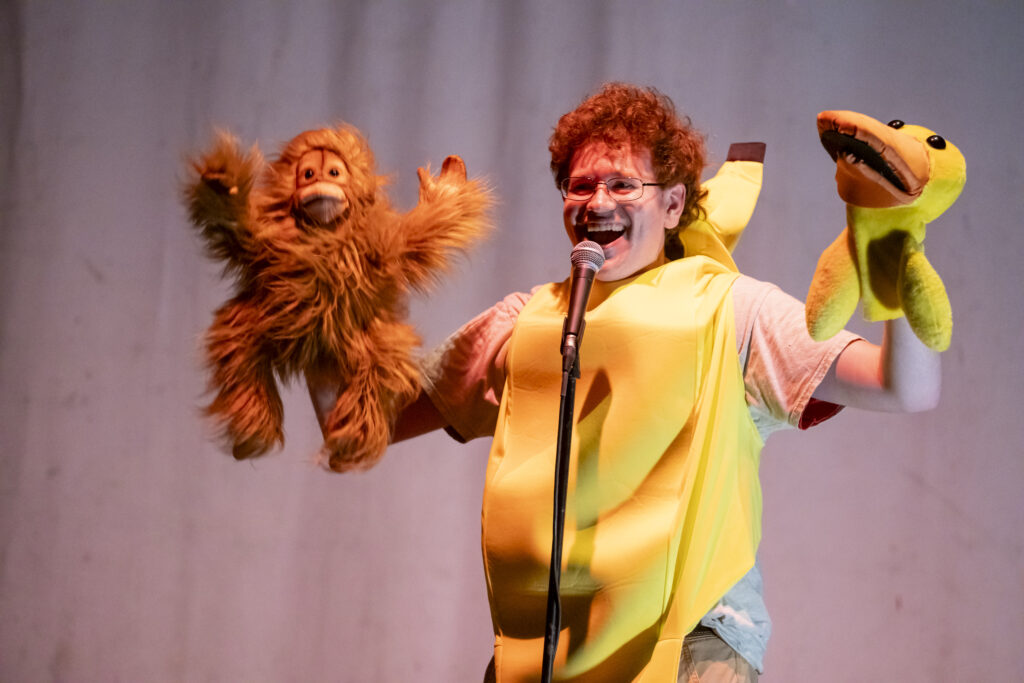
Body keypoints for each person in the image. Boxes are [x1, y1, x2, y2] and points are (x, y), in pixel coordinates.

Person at [309, 83, 940, 682]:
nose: (598, 203)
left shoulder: (732, 310)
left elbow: (902, 388)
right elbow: (354, 428)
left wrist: (896, 266)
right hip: (543, 651)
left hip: (691, 640)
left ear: (673, 204)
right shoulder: (525, 322)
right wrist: (309, 286)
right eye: (580, 186)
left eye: (622, 184)